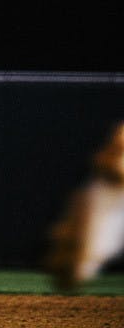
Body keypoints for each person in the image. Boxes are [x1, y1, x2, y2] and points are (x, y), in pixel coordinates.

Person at [45, 121, 124, 290]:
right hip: (111, 195)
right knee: (82, 265)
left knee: (83, 262)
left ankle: (71, 257)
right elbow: (105, 162)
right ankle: (70, 258)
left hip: (112, 197)